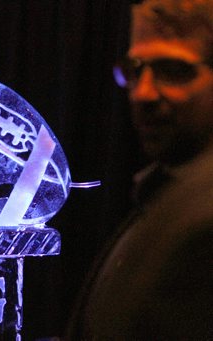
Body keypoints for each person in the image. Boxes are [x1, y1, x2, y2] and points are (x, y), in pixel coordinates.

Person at [66, 0, 213, 339]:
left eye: (173, 71)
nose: (142, 93)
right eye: (135, 70)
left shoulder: (201, 216)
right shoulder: (166, 191)